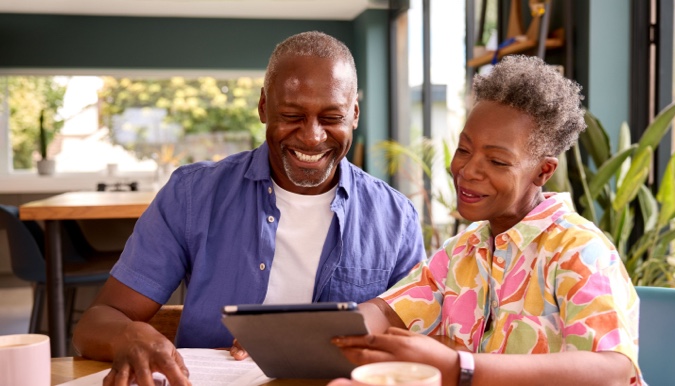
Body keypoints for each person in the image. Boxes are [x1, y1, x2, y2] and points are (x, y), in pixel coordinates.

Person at [73, 31, 425, 386]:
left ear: (354, 115)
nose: (312, 136)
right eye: (292, 114)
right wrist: (130, 335)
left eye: (331, 117)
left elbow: (417, 343)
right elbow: (98, 321)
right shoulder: (192, 195)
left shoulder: (396, 218)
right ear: (263, 107)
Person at [329, 55, 644, 386]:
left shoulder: (580, 249)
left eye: (496, 161)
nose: (468, 171)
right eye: (464, 150)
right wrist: (323, 334)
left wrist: (461, 367)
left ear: (544, 171)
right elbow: (385, 313)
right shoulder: (460, 252)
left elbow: (613, 370)